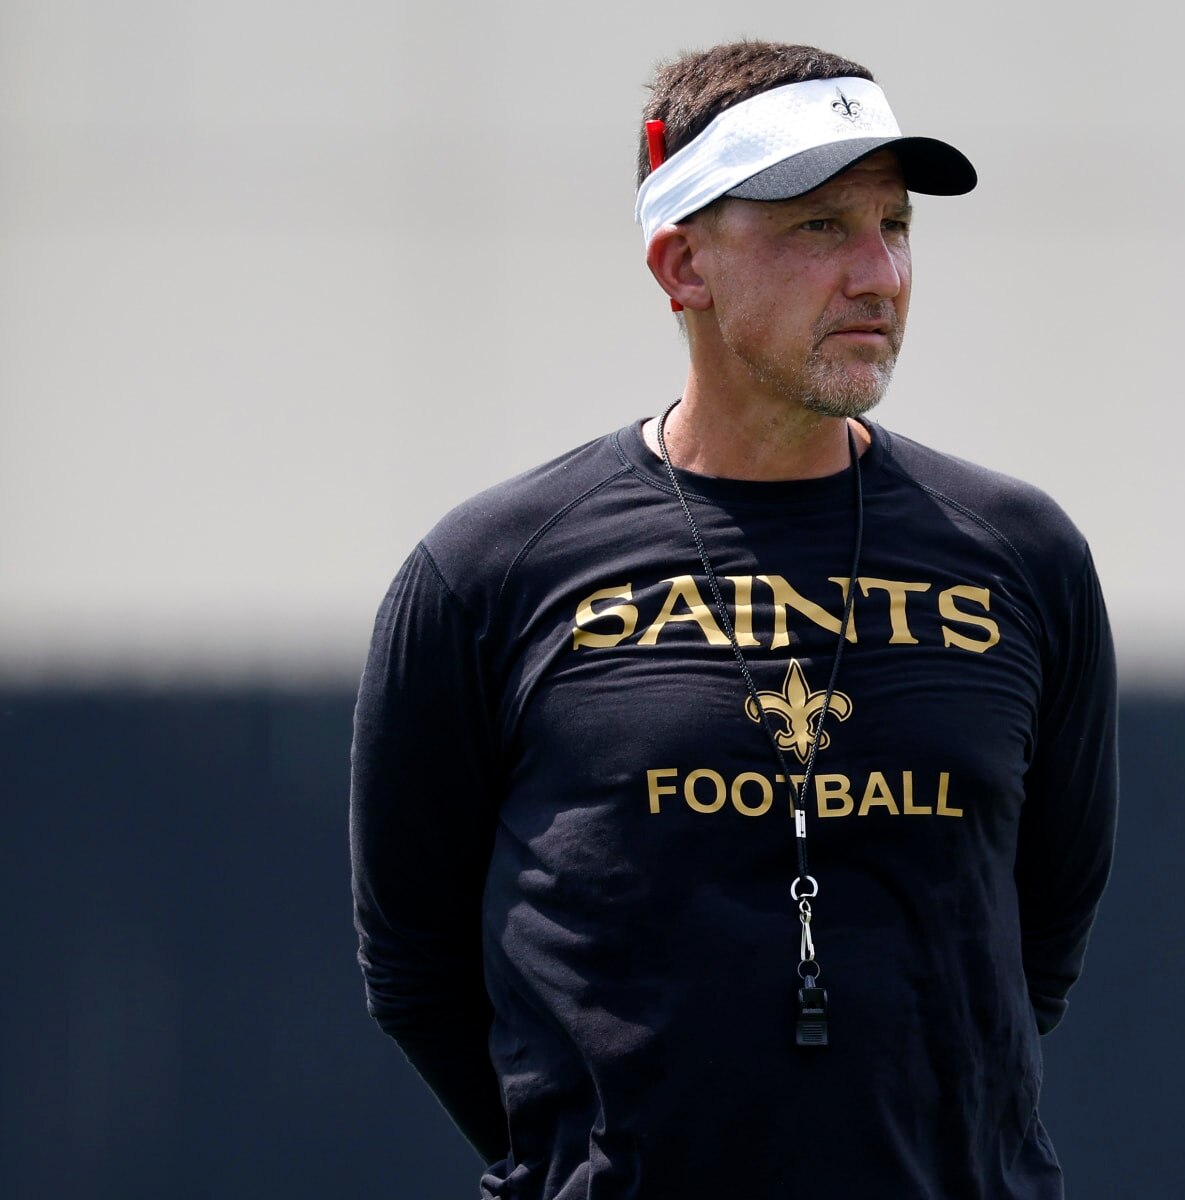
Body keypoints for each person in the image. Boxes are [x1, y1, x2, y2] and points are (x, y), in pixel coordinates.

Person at [349, 39, 1118, 1199]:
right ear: (682, 265)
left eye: (895, 226)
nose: (880, 276)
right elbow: (415, 966)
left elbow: (1040, 944)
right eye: (819, 227)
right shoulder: (487, 573)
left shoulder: (1024, 557)